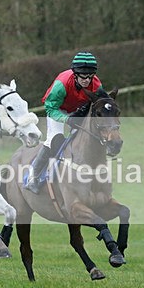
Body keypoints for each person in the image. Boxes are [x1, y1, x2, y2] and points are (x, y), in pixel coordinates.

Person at [24, 51, 102, 193]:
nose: (86, 80)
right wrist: (67, 119)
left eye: (89, 76)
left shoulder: (96, 84)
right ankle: (33, 175)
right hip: (57, 109)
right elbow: (50, 107)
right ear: (75, 74)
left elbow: (99, 103)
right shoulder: (62, 83)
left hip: (78, 109)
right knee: (53, 139)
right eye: (82, 76)